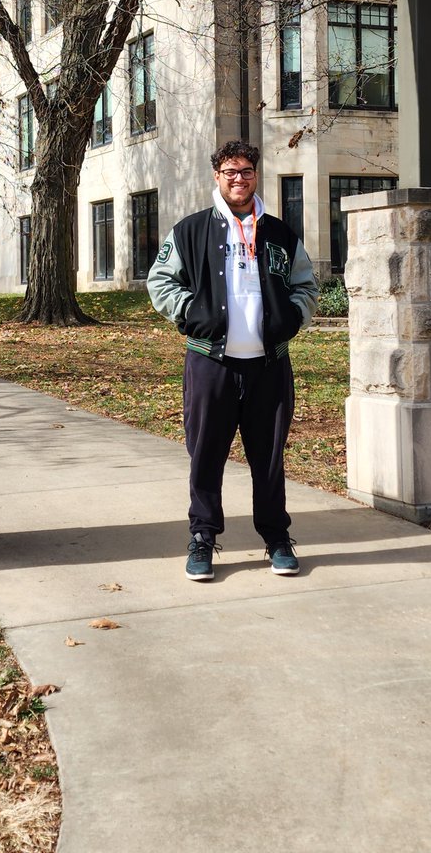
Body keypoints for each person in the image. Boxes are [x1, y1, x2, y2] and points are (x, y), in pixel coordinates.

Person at [147, 139, 319, 581]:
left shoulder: (280, 232)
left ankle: (277, 538)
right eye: (230, 172)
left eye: (245, 171)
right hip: (211, 364)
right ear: (217, 177)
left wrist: (291, 318)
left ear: (255, 175)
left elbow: (306, 284)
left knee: (269, 457)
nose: (238, 179)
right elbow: (161, 282)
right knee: (205, 454)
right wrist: (192, 313)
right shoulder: (191, 230)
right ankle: (202, 539)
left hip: (268, 365)